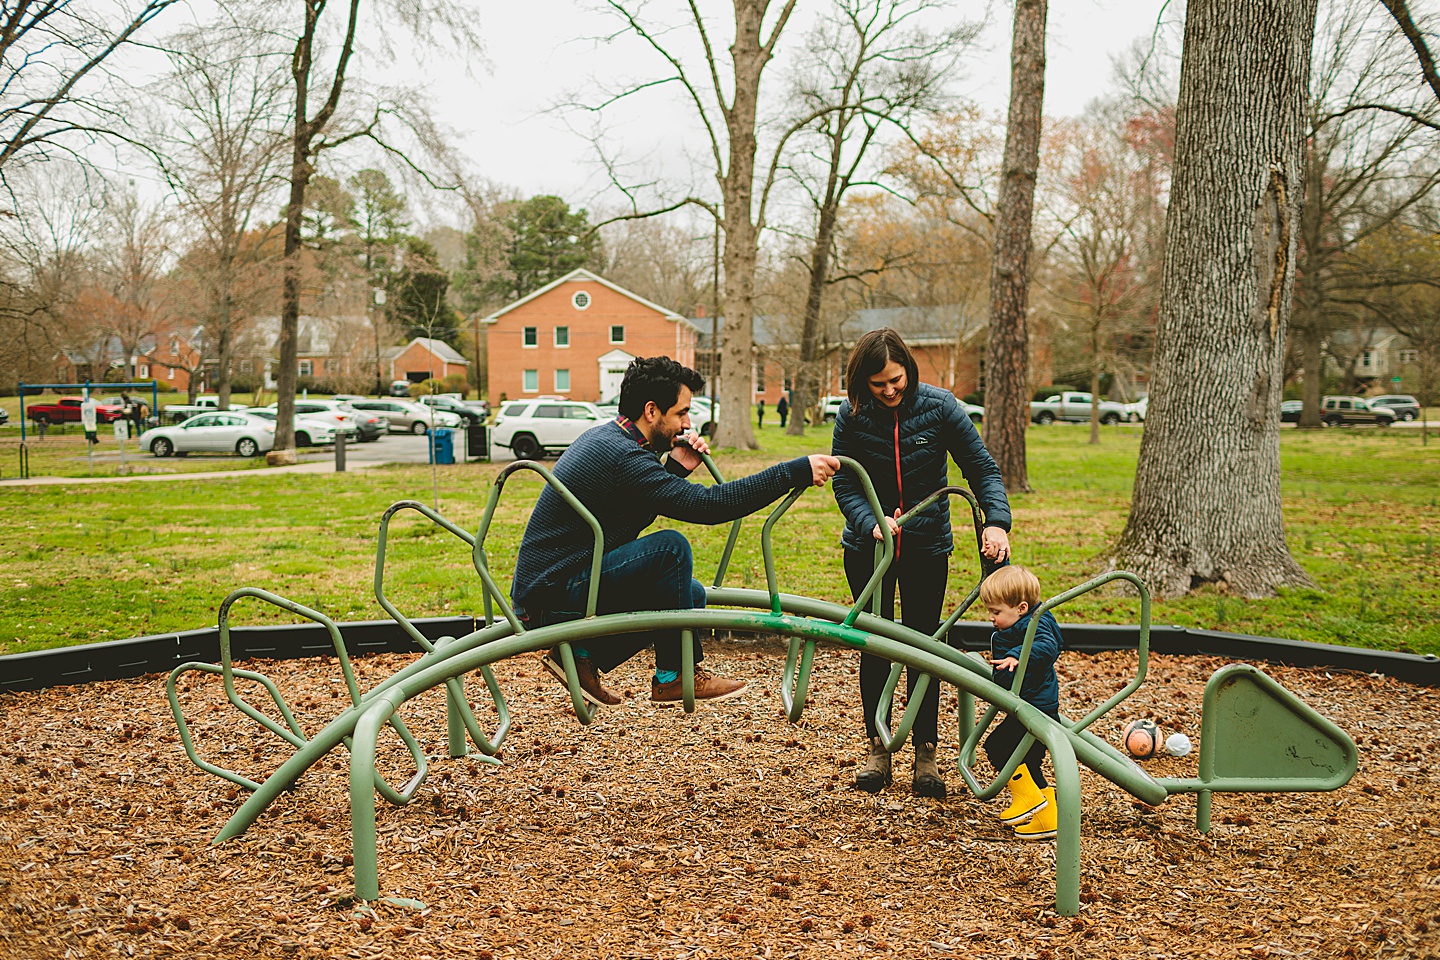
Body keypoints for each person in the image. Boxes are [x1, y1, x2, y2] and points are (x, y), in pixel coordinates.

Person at [512, 356, 841, 706]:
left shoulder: (614, 440)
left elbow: (629, 508)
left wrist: (675, 470)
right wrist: (794, 472)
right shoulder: (624, 456)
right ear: (651, 411)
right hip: (549, 595)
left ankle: (580, 658)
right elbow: (712, 505)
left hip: (556, 586)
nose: (687, 422)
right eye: (681, 413)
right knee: (670, 549)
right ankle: (676, 676)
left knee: (688, 596)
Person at [831, 328, 1011, 798]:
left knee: (925, 645)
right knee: (875, 641)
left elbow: (982, 469)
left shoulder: (941, 406)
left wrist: (996, 522)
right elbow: (844, 483)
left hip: (927, 544)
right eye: (878, 384)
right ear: (861, 383)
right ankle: (877, 746)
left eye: (897, 379)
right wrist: (870, 521)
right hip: (869, 546)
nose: (890, 391)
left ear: (909, 369)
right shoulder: (851, 416)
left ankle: (926, 754)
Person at [981, 565, 1064, 840]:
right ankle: (1047, 818)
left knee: (998, 747)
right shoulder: (1022, 621)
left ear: (1021, 607)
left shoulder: (1037, 623)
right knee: (1029, 762)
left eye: (996, 612)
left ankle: (1028, 800)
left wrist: (1016, 655)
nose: (990, 618)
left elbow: (1046, 646)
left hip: (1035, 707)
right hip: (1029, 702)